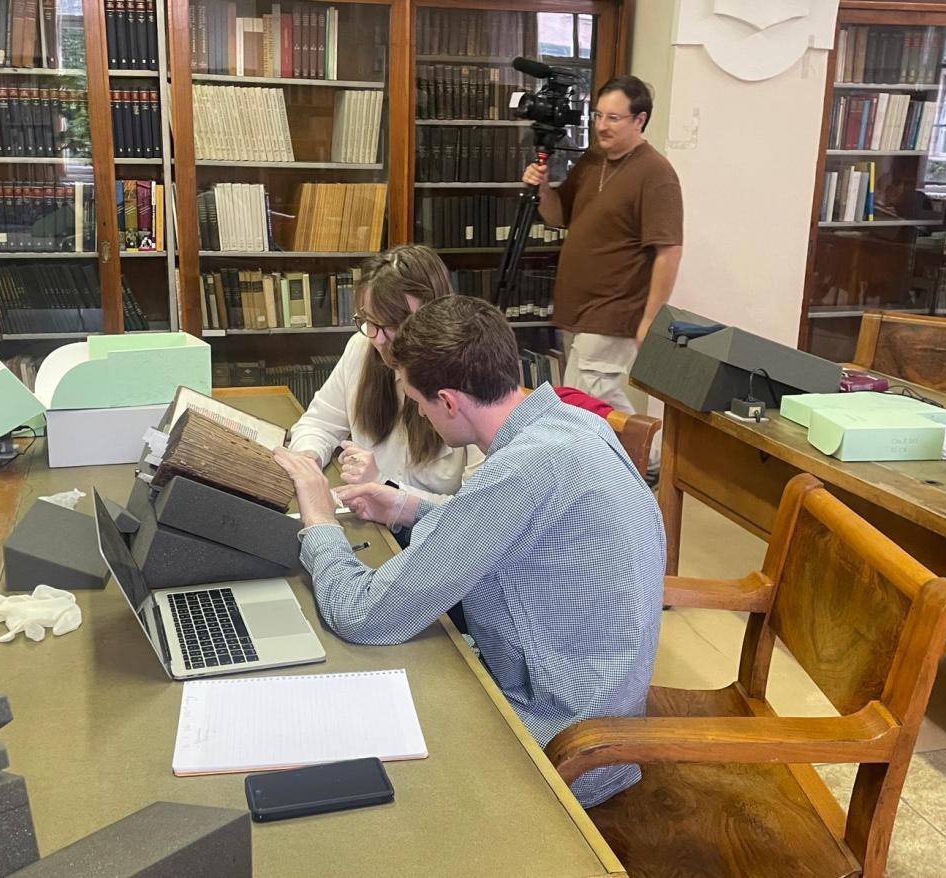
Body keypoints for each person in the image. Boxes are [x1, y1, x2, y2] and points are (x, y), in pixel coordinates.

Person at [272, 296, 666, 807]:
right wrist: (406, 507)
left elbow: (363, 615)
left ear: (450, 402)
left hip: (563, 740)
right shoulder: (569, 426)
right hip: (598, 701)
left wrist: (320, 520)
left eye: (419, 401)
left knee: (340, 732)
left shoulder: (521, 471)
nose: (419, 411)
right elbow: (508, 530)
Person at [522, 75, 683, 414]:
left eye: (613, 118)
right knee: (580, 399)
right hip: (578, 306)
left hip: (616, 308)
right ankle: (643, 458)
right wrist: (544, 189)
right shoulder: (593, 160)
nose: (602, 126)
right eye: (597, 116)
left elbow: (669, 251)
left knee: (589, 400)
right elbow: (557, 217)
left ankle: (652, 459)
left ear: (640, 120)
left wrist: (650, 318)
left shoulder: (656, 172)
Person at [288, 244, 478, 502]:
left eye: (391, 325)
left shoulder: (472, 375)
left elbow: (474, 512)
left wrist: (383, 487)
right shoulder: (362, 346)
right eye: (369, 320)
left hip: (426, 532)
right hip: (368, 517)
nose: (377, 339)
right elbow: (320, 423)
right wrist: (308, 458)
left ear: (433, 316)